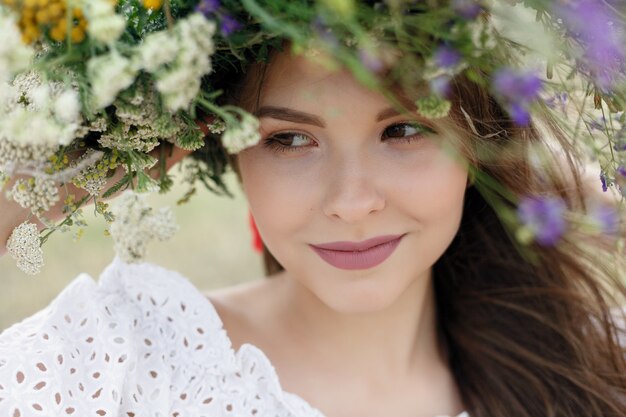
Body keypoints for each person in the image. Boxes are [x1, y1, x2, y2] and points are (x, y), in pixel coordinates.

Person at [1, 3, 625, 417]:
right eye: (290, 140)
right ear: (217, 143)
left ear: (480, 140)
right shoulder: (117, 361)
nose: (353, 204)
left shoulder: (590, 361)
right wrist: (33, 188)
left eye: (404, 130)